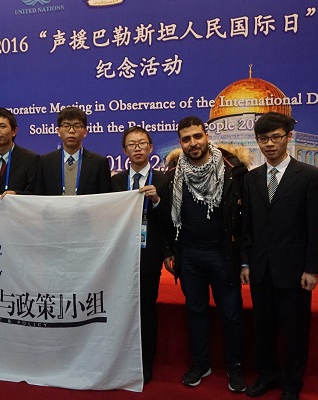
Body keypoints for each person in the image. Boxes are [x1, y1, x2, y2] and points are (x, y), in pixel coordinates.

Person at [240, 112, 318, 400]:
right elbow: (247, 225)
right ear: (257, 141)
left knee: (294, 331)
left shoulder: (310, 176)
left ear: (289, 137)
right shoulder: (251, 178)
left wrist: (312, 268)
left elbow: (316, 226)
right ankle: (266, 375)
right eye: (263, 139)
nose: (269, 144)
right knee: (262, 328)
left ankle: (291, 383)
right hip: (260, 268)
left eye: (276, 137)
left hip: (294, 270)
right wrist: (245, 261)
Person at [166, 116, 247, 392]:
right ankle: (201, 363)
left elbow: (246, 218)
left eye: (197, 136)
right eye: (186, 139)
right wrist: (170, 251)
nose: (193, 143)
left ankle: (235, 366)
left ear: (207, 136)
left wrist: (244, 257)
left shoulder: (234, 169)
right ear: (180, 143)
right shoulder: (173, 173)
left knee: (231, 313)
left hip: (223, 255)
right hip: (189, 256)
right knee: (195, 311)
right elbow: (169, 218)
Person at [110, 126, 173, 383]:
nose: (137, 148)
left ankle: (145, 363)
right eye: (132, 144)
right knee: (119, 308)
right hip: (118, 256)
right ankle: (120, 358)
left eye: (142, 143)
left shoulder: (164, 180)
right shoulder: (115, 181)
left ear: (150, 147)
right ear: (124, 150)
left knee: (146, 309)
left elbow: (171, 220)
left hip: (149, 255)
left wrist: (157, 201)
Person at [35, 107, 111, 195]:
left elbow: (105, 199)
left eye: (77, 126)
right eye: (66, 126)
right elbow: (39, 196)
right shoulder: (45, 162)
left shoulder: (99, 163)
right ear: (58, 131)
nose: (71, 131)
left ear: (85, 132)